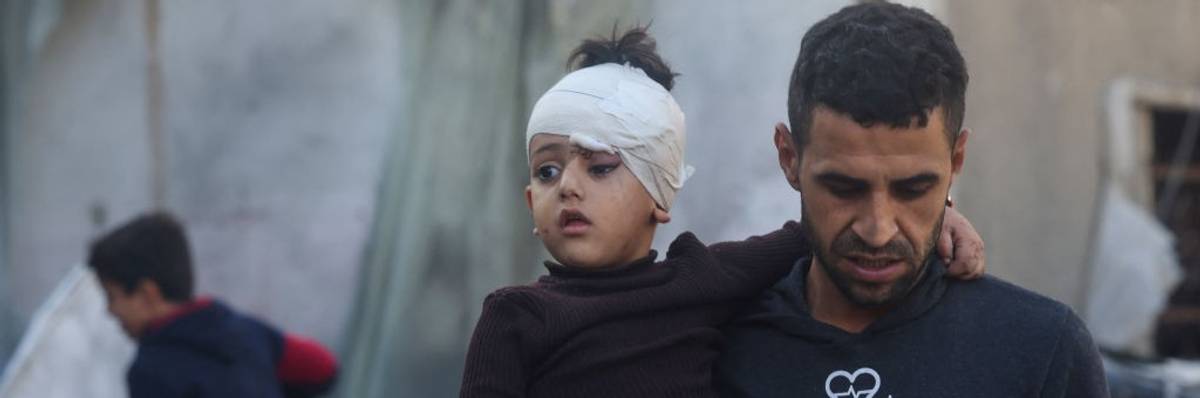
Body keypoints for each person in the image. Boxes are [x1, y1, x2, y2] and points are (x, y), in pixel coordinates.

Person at [459, 26, 986, 398]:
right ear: (531, 204)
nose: (567, 188)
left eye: (600, 168)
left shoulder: (701, 280)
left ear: (660, 196)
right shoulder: (516, 317)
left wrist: (937, 212)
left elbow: (822, 230)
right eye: (546, 173)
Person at [714, 4, 1108, 397]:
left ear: (956, 160)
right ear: (789, 158)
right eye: (844, 188)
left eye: (913, 189)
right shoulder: (712, 343)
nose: (878, 230)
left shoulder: (1042, 351)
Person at [87, 212, 339, 398]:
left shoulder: (150, 371)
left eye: (111, 297)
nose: (110, 312)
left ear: (147, 294)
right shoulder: (246, 331)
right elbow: (323, 367)